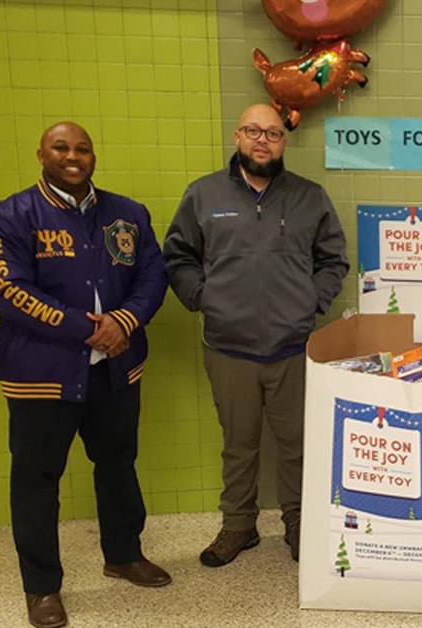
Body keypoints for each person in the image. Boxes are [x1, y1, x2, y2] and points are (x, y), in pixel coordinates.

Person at [0, 122, 171, 628]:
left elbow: (153, 273)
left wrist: (124, 322)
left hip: (118, 368)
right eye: (61, 147)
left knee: (117, 464)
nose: (73, 156)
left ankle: (123, 554)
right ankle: (41, 588)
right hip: (41, 375)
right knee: (37, 481)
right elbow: (10, 292)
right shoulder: (7, 218)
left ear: (93, 156)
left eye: (83, 148)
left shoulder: (128, 214)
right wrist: (87, 329)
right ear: (41, 153)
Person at [163, 104, 349, 566]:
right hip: (229, 349)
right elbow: (178, 256)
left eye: (273, 133)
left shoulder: (309, 197)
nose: (262, 140)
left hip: (292, 349)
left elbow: (333, 260)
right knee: (239, 444)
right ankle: (238, 526)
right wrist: (205, 299)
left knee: (298, 444)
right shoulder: (204, 195)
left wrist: (311, 302)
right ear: (237, 136)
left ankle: (299, 523)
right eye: (253, 131)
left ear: (284, 142)